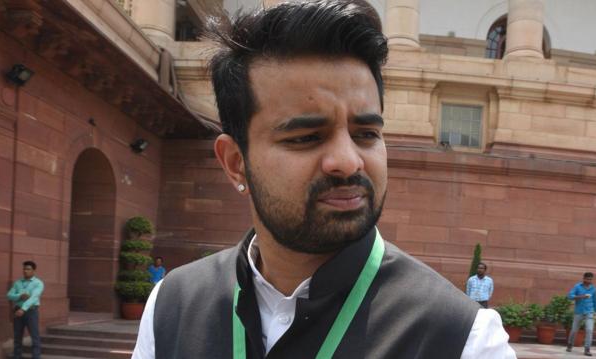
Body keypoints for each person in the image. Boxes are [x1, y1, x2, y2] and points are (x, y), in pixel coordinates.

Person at [133, 1, 515, 358]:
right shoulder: (171, 306)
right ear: (235, 162)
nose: (348, 162)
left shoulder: (464, 339)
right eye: (306, 138)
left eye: (366, 133)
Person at [6, 260, 44, 359]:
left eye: (28, 269)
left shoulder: (38, 283)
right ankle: (17, 356)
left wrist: (23, 309)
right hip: (17, 311)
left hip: (31, 311)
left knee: (34, 336)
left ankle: (36, 357)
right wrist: (19, 296)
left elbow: (34, 297)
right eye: (24, 269)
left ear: (34, 271)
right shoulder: (18, 282)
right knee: (17, 337)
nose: (25, 271)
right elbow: (9, 295)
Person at [566, 272, 596, 356]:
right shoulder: (577, 286)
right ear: (584, 278)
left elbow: (595, 301)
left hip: (589, 312)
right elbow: (570, 296)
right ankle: (570, 344)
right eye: (587, 279)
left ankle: (587, 349)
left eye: (591, 279)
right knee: (574, 330)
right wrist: (581, 296)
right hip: (579, 312)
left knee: (589, 330)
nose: (589, 281)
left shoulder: (593, 289)